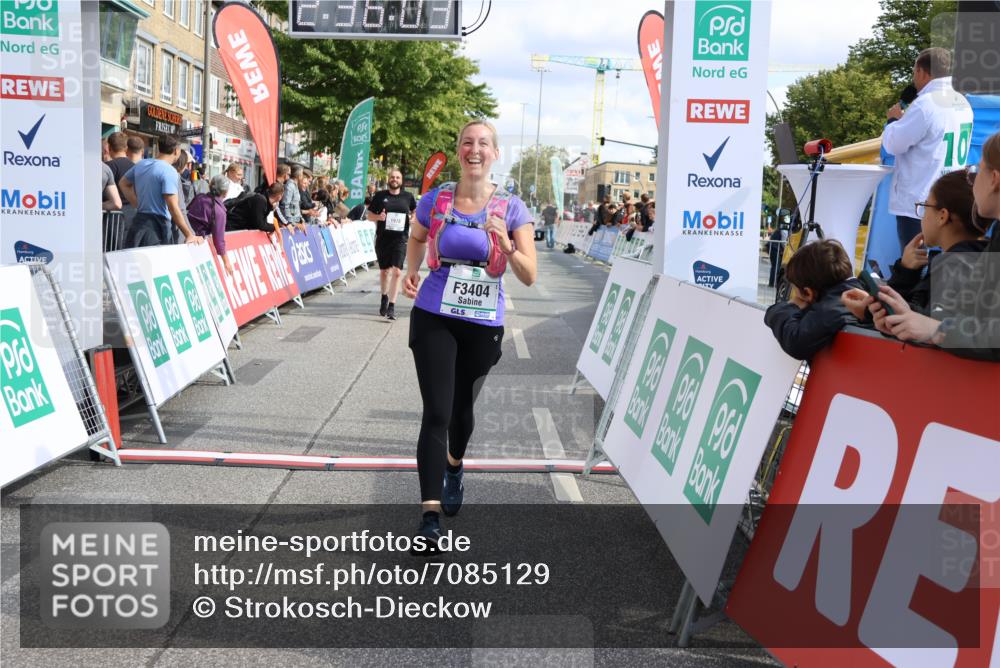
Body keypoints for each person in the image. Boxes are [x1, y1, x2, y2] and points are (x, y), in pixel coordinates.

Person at [403, 120, 537, 553]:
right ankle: (429, 516)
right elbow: (418, 236)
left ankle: (455, 466)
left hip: (482, 322)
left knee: (462, 411)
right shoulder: (435, 199)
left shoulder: (512, 209)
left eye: (483, 144)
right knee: (436, 411)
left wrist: (509, 245)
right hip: (434, 313)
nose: (474, 150)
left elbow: (530, 276)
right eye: (467, 143)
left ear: (495, 153)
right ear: (458, 150)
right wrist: (411, 270)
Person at [863, 131, 1000, 361]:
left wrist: (934, 330)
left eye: (977, 172)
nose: (974, 184)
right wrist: (908, 317)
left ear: (994, 179)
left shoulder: (957, 263)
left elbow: (988, 334)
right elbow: (974, 321)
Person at [843, 170, 983, 320]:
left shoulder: (954, 268)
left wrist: (867, 311)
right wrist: (907, 270)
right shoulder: (981, 260)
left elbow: (924, 327)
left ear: (942, 216)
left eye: (925, 206)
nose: (921, 216)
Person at [881, 47, 974, 253]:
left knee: (916, 265)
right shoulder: (963, 103)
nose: (914, 79)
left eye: (915, 73)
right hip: (950, 198)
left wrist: (893, 121)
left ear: (922, 72)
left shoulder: (925, 104)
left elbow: (893, 144)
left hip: (920, 204)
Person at [764, 239, 862, 360]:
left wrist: (791, 306)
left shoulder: (830, 309)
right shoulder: (862, 291)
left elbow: (795, 341)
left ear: (808, 293)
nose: (794, 296)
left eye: (795, 292)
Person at [119, 135, 202, 248]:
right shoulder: (169, 171)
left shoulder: (142, 164)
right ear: (176, 151)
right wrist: (189, 234)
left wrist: (137, 203)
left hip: (138, 222)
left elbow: (123, 183)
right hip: (157, 227)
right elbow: (173, 206)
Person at [367, 167, 417, 320]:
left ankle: (392, 306)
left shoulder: (408, 197)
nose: (394, 179)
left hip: (400, 240)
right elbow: (369, 215)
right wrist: (378, 217)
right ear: (389, 179)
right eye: (392, 177)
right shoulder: (380, 196)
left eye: (397, 177)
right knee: (384, 272)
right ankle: (384, 297)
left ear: (401, 181)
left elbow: (415, 212)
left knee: (396, 271)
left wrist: (413, 218)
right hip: (383, 239)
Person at [187, 175, 233, 274]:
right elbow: (219, 240)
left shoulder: (200, 197)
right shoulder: (219, 211)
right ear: (225, 193)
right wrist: (226, 262)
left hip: (183, 236)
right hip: (195, 244)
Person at [280, 165, 304, 230]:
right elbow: (285, 205)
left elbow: (295, 205)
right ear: (298, 175)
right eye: (302, 173)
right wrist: (291, 222)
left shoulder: (295, 186)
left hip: (296, 221)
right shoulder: (290, 186)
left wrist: (301, 219)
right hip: (291, 224)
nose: (303, 176)